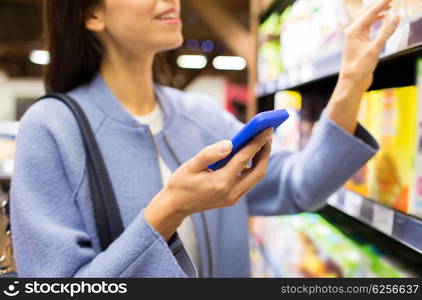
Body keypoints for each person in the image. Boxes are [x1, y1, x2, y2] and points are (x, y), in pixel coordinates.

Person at [10, 0, 399, 277]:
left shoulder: (202, 116)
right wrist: (170, 210)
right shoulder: (50, 130)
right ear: (92, 13)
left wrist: (352, 80)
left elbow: (299, 186)